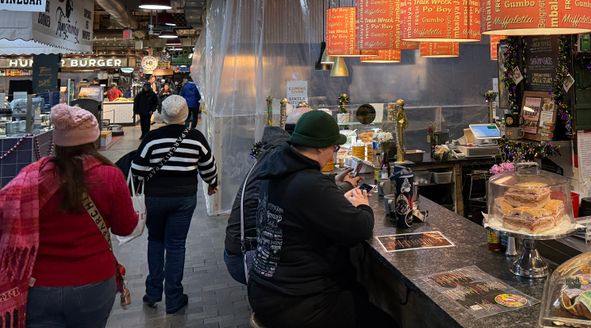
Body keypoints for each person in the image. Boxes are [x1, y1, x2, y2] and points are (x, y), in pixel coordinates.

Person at [247, 110, 393, 328]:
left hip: (266, 290)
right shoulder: (309, 184)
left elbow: (303, 204)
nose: (334, 155)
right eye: (334, 148)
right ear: (318, 147)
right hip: (299, 303)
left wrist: (331, 186)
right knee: (385, 323)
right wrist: (362, 204)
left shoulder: (275, 171)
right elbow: (358, 228)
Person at [0, 104, 138, 328]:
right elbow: (125, 227)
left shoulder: (32, 177)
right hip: (94, 281)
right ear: (92, 140)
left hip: (39, 284)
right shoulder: (109, 176)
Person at [224, 108, 361, 285]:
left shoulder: (279, 155)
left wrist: (332, 181)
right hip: (248, 254)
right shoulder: (280, 155)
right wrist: (348, 189)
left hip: (243, 248)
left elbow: (300, 193)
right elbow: (306, 194)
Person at [131, 95, 218, 314]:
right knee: (176, 245)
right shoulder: (195, 137)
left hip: (155, 198)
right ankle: (173, 297)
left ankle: (152, 293)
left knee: (156, 240)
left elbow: (137, 170)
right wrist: (212, 183)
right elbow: (208, 165)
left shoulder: (152, 137)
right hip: (183, 199)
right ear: (186, 114)